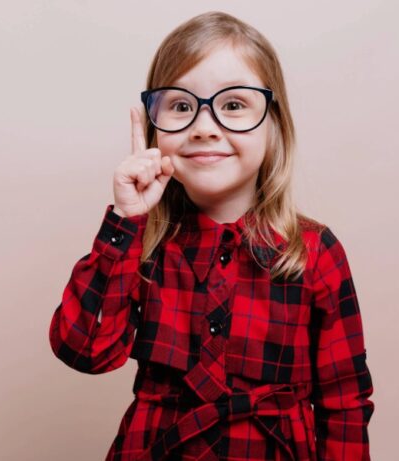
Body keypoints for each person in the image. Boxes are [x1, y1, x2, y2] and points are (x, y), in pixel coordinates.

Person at [48, 11, 375, 460]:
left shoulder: (314, 252)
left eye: (234, 105)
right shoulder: (144, 246)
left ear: (273, 125)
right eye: (182, 106)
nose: (204, 127)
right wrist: (126, 220)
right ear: (153, 128)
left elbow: (345, 404)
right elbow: (84, 348)